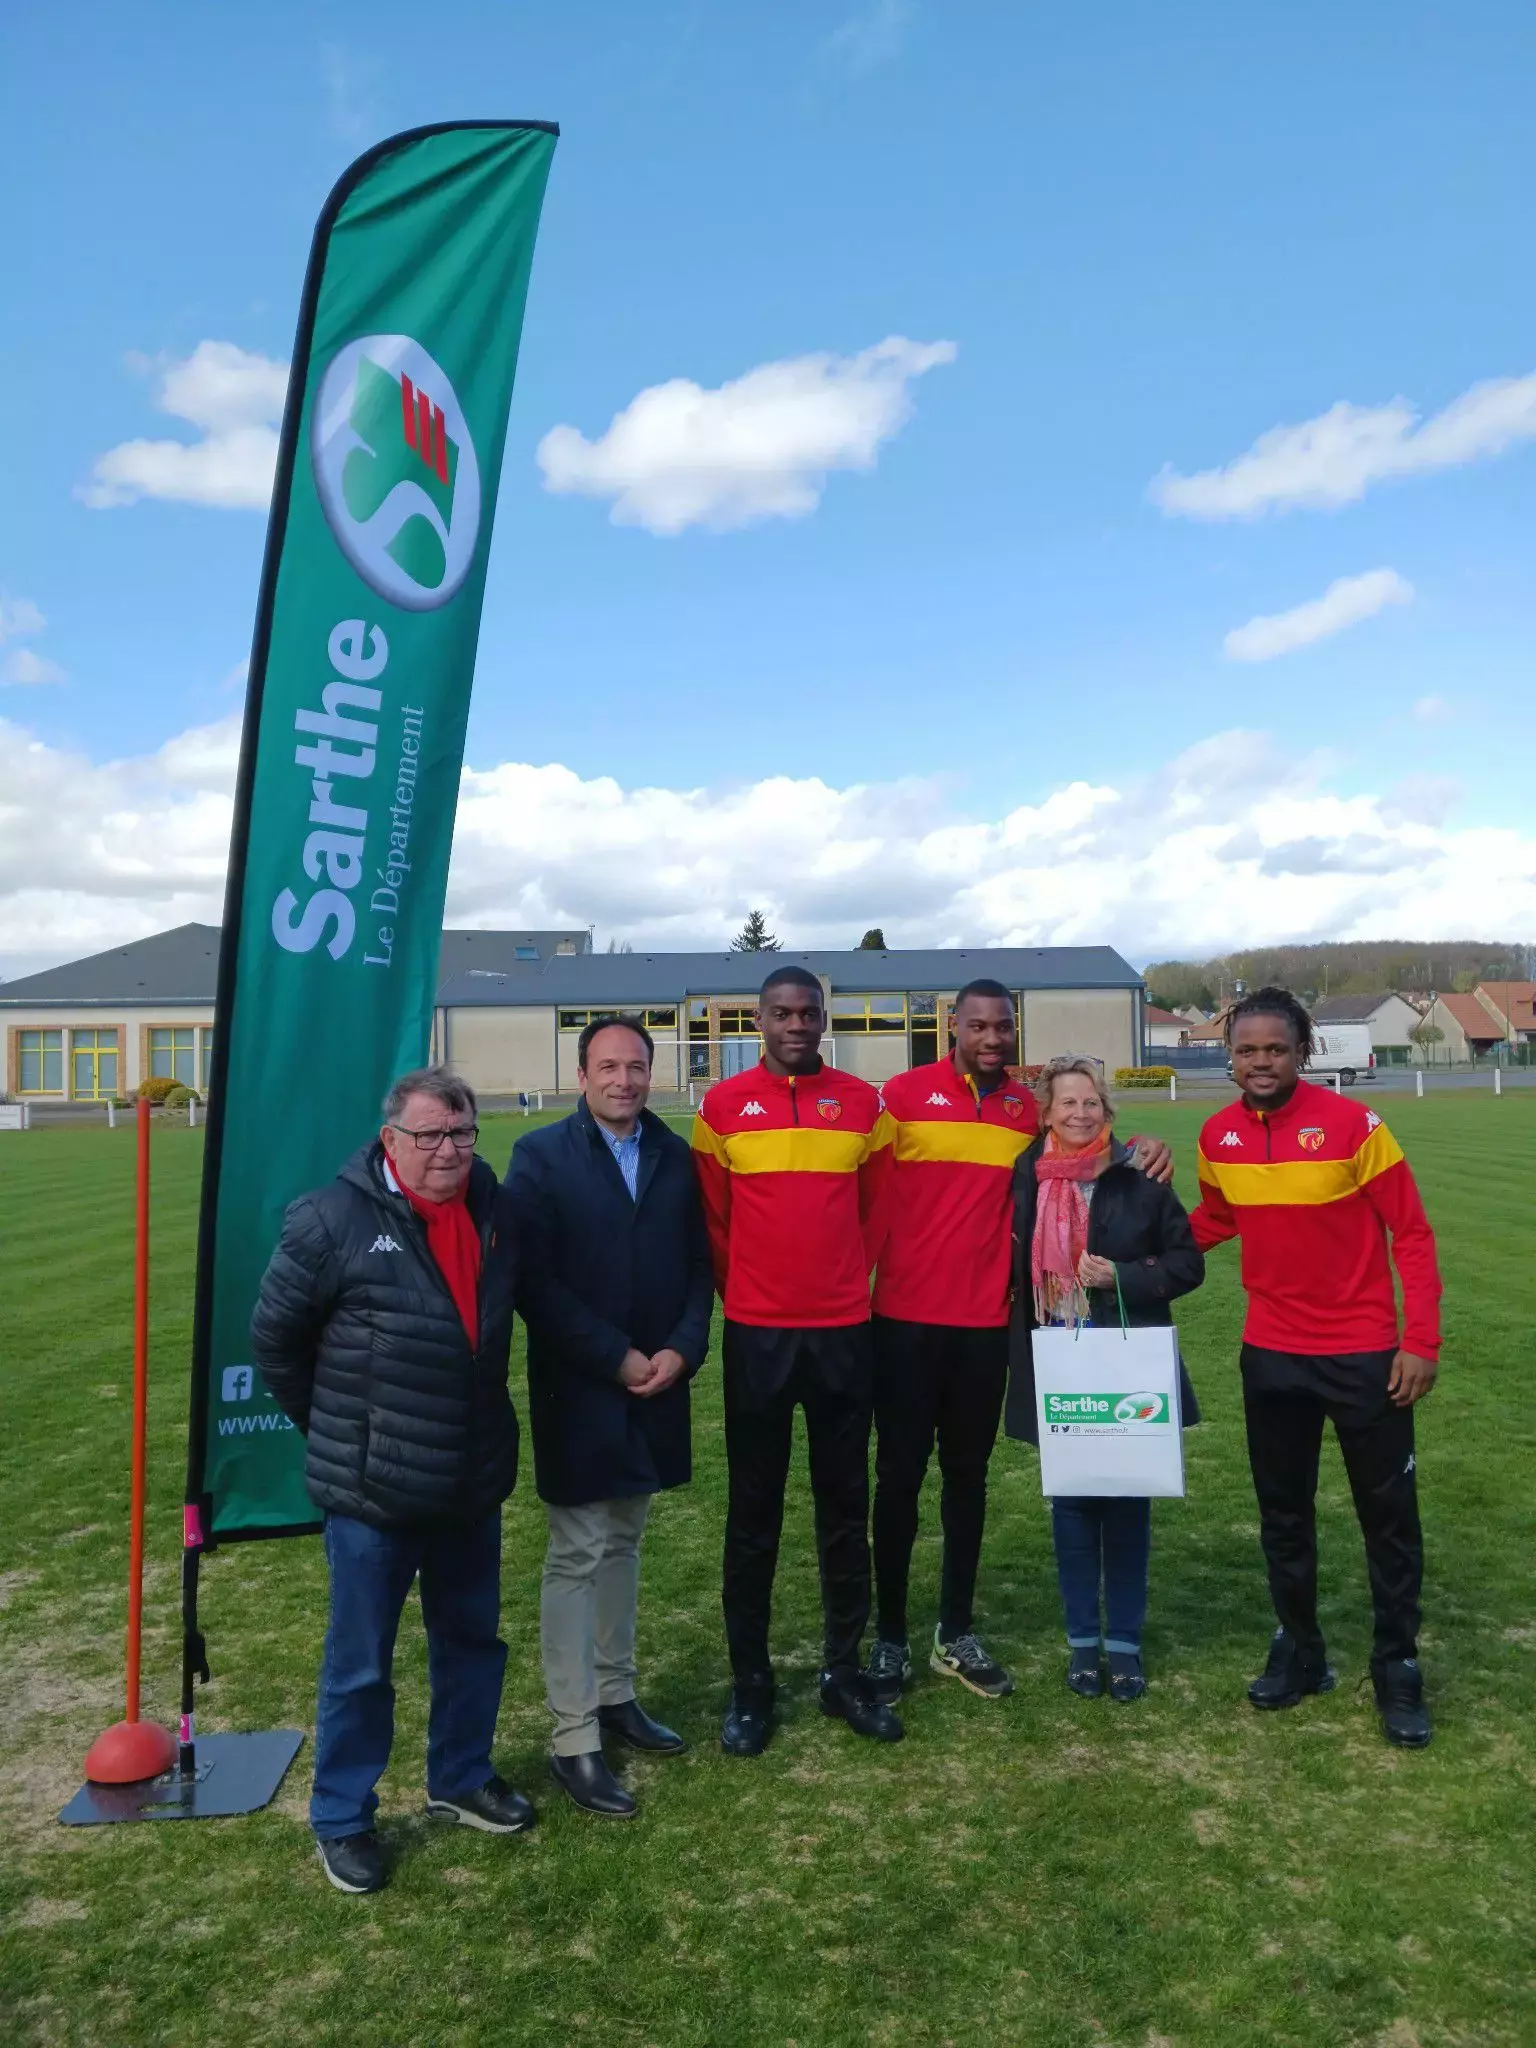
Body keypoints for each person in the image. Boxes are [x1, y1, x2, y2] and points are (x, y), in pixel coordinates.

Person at [251, 1066, 531, 1896]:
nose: (447, 1151)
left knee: (473, 1642)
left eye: (461, 1134)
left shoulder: (493, 1208)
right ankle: (342, 1817)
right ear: (391, 1141)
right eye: (429, 1136)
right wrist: (349, 1431)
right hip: (374, 1493)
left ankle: (460, 1776)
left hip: (470, 1480)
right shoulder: (329, 1220)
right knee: (362, 1664)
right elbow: (275, 1345)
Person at [865, 982, 1173, 1707]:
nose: (993, 1038)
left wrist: (1145, 1147)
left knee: (967, 1482)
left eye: (1004, 1026)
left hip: (986, 1326)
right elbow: (861, 1191)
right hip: (904, 1321)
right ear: (953, 1027)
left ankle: (955, 1631)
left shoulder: (1023, 1113)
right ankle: (887, 1637)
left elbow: (1086, 1146)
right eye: (979, 1026)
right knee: (899, 1481)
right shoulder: (903, 1097)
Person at [1191, 987, 1442, 1748]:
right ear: (1229, 1056)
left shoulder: (1354, 1126)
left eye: (1275, 1049)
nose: (1260, 1062)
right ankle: (1301, 1652)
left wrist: (1419, 1342)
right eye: (1246, 1050)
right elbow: (1214, 1222)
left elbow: (1413, 1234)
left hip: (1365, 1357)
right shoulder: (1217, 1136)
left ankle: (1397, 1667)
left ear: (1304, 1051)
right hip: (1271, 1356)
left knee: (1388, 1524)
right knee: (1284, 1516)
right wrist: (1118, 1239)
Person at [506, 1015, 714, 1819]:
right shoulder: (540, 1157)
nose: (623, 1080)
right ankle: (572, 1736)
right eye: (608, 1067)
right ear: (582, 1072)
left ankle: (617, 1697)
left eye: (636, 1067)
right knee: (579, 1550)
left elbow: (700, 1267)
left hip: (659, 1383)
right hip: (583, 1388)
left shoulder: (673, 1155)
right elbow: (535, 1284)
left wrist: (681, 1350)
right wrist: (615, 1356)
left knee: (626, 1538)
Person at [691, 964, 902, 1752]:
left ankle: (843, 1674)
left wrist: (850, 1277)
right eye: (781, 1013)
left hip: (846, 1332)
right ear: (759, 1019)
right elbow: (712, 1220)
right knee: (754, 1514)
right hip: (757, 1335)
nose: (795, 1025)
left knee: (845, 1510)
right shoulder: (720, 1107)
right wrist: (745, 1291)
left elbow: (878, 1208)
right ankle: (751, 1687)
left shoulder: (862, 1106)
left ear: (824, 1019)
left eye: (808, 1013)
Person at [1005, 1056, 1203, 1701]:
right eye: (1068, 1104)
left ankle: (1124, 1645)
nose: (1080, 1114)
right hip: (1058, 1351)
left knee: (1126, 1501)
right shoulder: (1026, 1175)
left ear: (1107, 1112)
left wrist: (1121, 1276)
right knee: (1071, 1503)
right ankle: (1082, 1645)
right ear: (1047, 1113)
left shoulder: (1139, 1173)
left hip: (1126, 1355)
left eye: (1091, 1103)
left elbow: (1187, 1262)